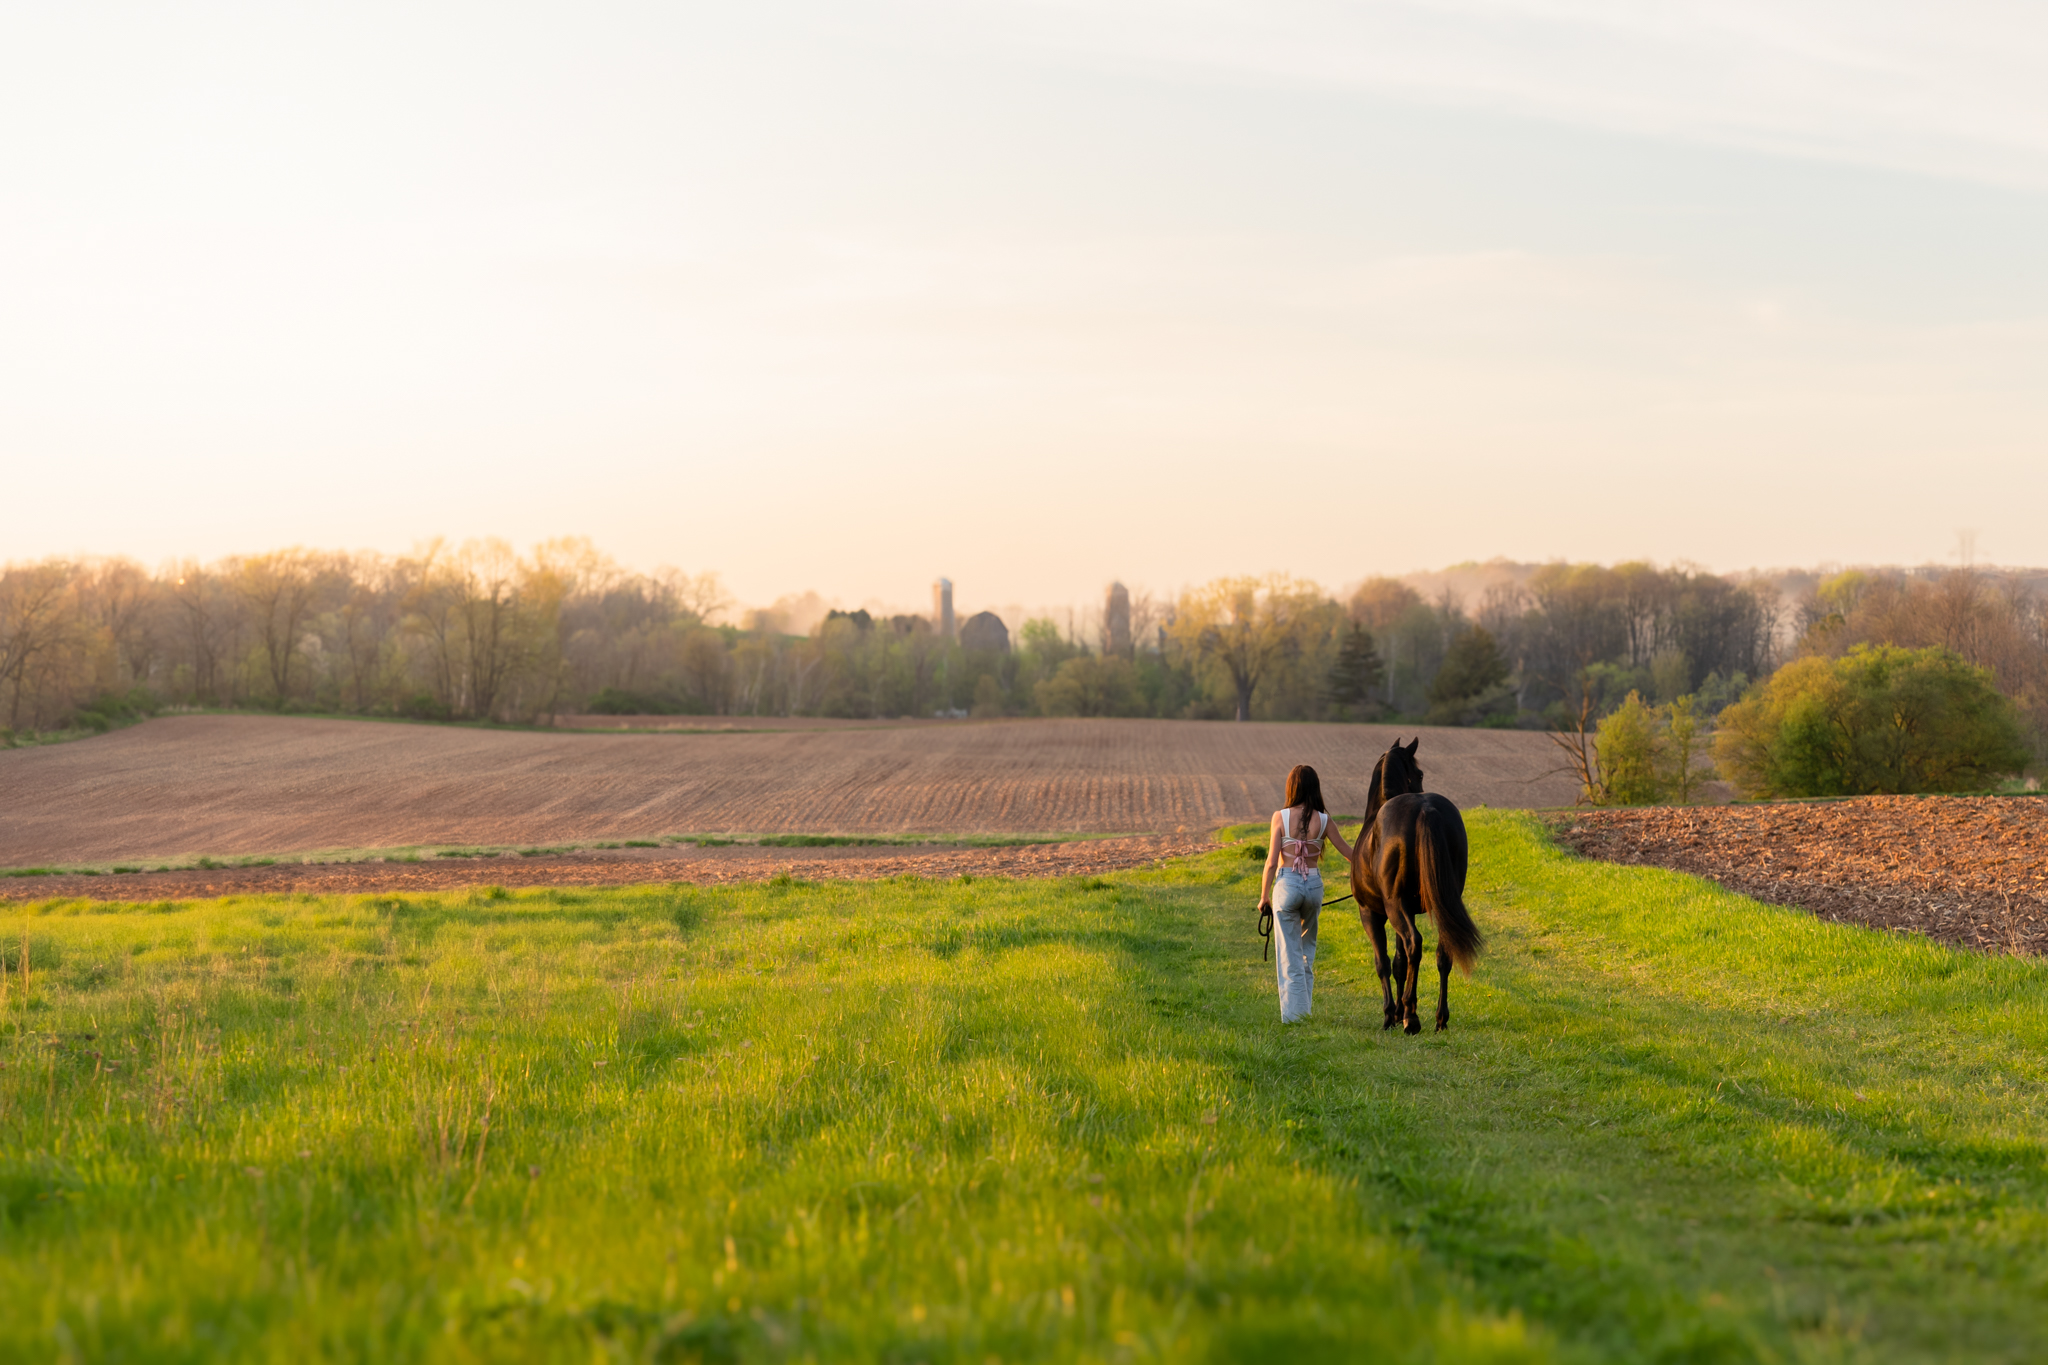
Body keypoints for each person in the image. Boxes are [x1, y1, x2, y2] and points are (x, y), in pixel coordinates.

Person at [1258, 764, 1353, 1023]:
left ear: (1292, 787)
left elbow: (1270, 862)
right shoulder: (1324, 820)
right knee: (1306, 951)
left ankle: (1295, 1018)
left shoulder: (1280, 817)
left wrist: (1264, 896)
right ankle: (1305, 1012)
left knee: (1288, 955)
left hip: (1287, 884)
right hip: (1313, 886)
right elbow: (1350, 855)